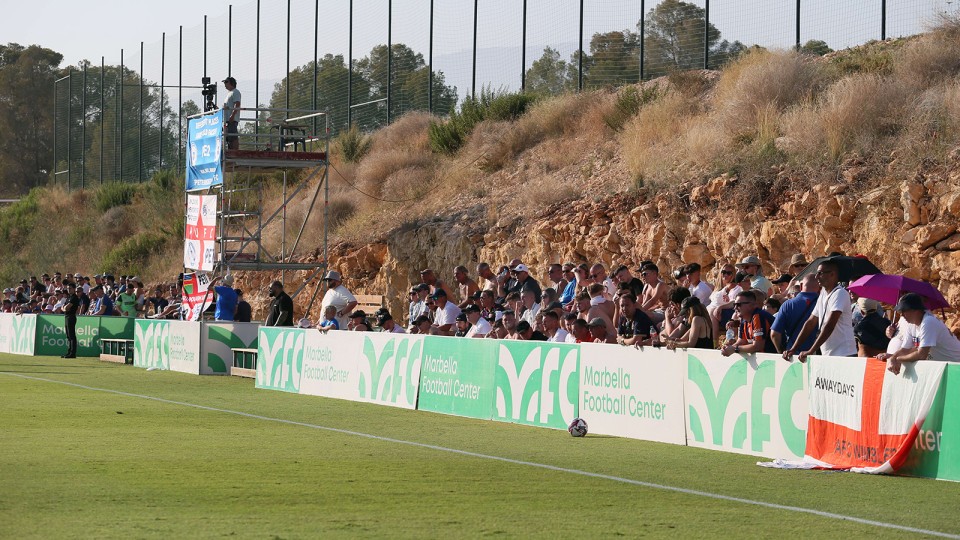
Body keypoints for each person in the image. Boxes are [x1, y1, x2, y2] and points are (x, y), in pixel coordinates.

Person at [783, 260, 857, 362]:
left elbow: (830, 325)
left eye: (820, 273)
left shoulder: (840, 293)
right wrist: (794, 348)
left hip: (844, 353)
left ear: (832, 274)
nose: (816, 277)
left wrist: (811, 350)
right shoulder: (823, 293)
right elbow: (810, 322)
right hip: (828, 353)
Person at [878, 293, 960, 373]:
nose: (902, 315)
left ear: (916, 310)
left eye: (904, 310)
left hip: (955, 366)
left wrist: (897, 359)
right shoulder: (911, 324)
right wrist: (892, 357)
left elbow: (921, 355)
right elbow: (905, 349)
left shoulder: (928, 321)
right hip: (945, 367)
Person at [770, 274, 820, 354]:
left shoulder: (788, 305)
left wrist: (781, 351)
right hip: (818, 354)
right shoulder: (824, 303)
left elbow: (774, 334)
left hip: (792, 354)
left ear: (801, 286)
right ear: (820, 288)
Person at [721, 290, 777, 356]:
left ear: (753, 305)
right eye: (734, 304)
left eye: (739, 304)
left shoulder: (758, 316)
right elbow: (741, 342)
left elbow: (758, 346)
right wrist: (728, 348)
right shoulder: (744, 318)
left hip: (774, 357)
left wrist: (734, 349)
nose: (735, 308)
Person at [61, 282, 79, 359]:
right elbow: (62, 307)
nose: (69, 290)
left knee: (72, 336)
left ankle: (72, 353)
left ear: (74, 289)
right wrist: (64, 308)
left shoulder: (74, 297)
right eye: (68, 288)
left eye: (70, 288)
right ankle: (69, 352)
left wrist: (64, 308)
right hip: (67, 316)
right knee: (68, 336)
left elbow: (66, 307)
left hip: (71, 316)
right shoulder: (69, 297)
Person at [222, 76, 241, 150]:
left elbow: (237, 104)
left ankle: (235, 152)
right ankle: (231, 151)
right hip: (227, 119)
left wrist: (232, 115)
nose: (225, 84)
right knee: (229, 138)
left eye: (226, 82)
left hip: (232, 119)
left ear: (231, 83)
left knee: (233, 137)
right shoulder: (229, 93)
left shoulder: (235, 92)